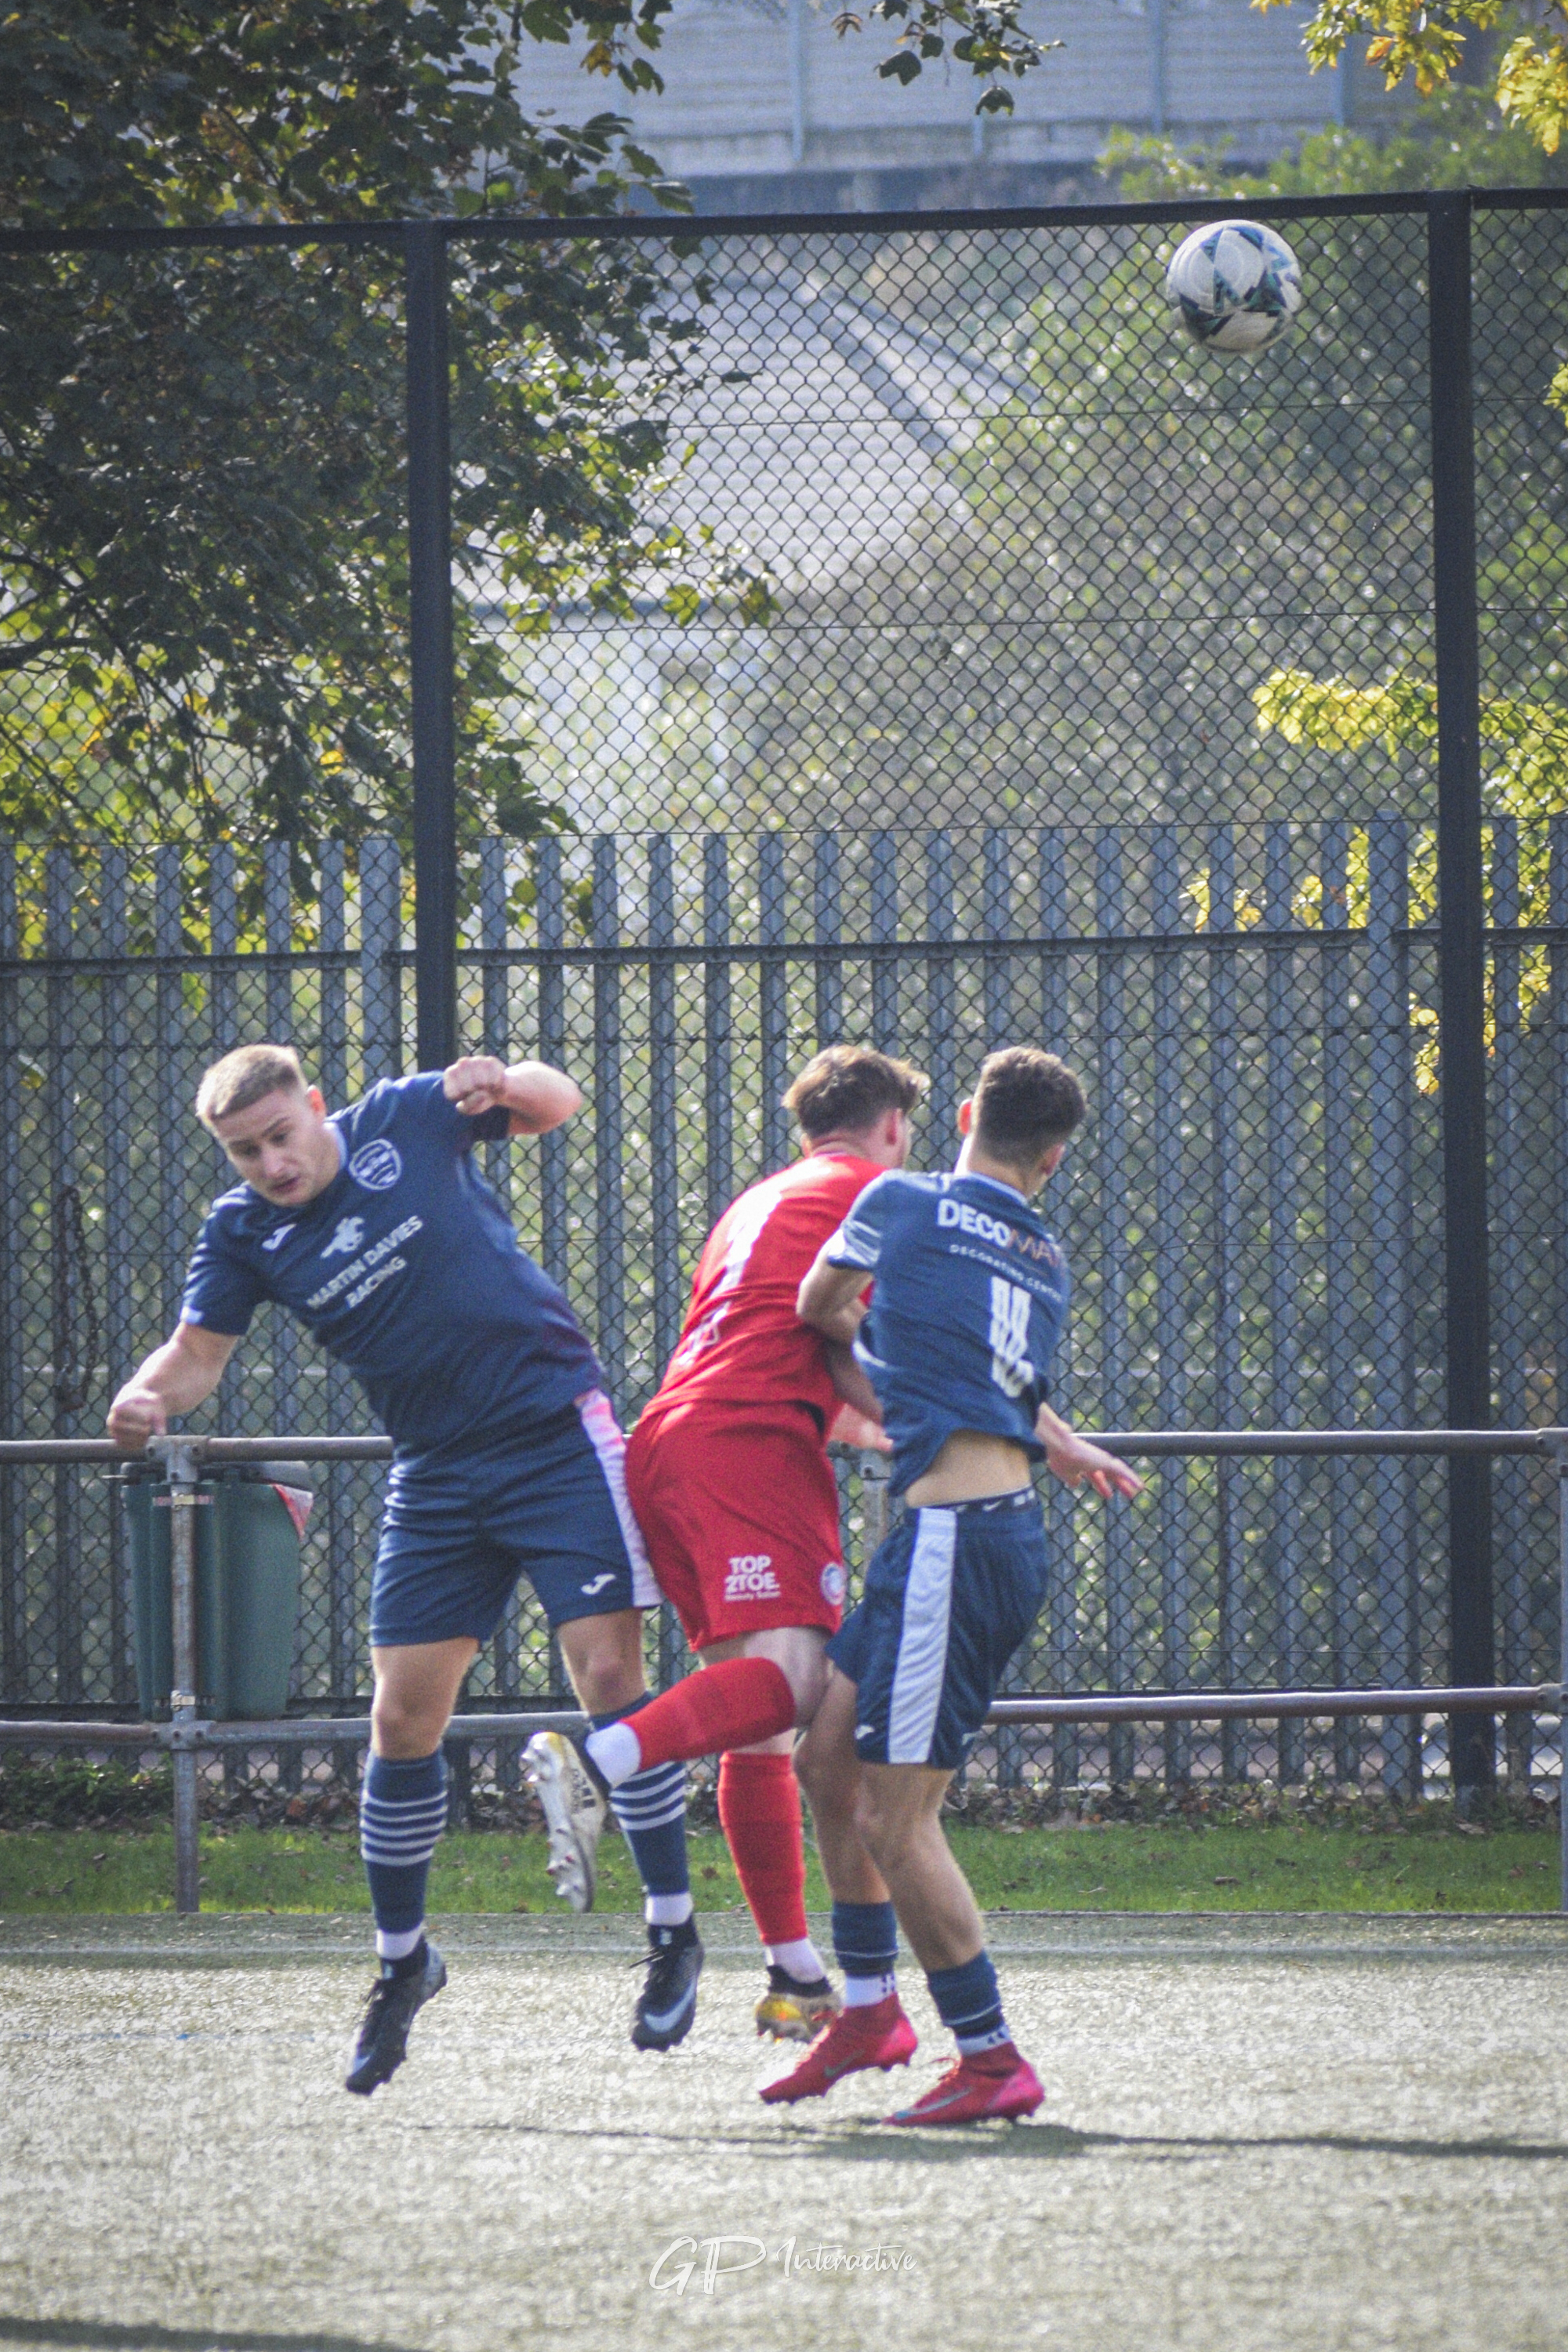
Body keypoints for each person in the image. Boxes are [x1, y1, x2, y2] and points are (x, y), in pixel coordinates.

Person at [106, 1043, 702, 2090]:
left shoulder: (406, 1119)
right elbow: (196, 1355)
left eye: (281, 1137)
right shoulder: (241, 1232)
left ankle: (670, 1934)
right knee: (401, 1719)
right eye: (246, 1153)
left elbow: (558, 1102)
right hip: (435, 1474)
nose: (272, 1165)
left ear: (318, 1107)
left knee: (610, 1680)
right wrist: (147, 1394)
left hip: (556, 1436)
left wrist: (506, 1084)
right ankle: (400, 1966)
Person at [767, 1046, 1143, 2125]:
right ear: (1054, 1158)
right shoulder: (1045, 1253)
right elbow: (1003, 1388)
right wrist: (1062, 1441)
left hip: (956, 1541)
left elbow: (819, 1301)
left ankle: (990, 2058)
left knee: (898, 1819)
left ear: (968, 1113)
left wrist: (870, 1348)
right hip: (955, 1534)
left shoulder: (902, 1200)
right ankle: (871, 2012)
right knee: (826, 1762)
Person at [524, 1045, 924, 2042]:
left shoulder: (758, 1200)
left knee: (757, 1722)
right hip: (744, 1444)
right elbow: (838, 1336)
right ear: (891, 1125)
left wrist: (858, 1416)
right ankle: (600, 1761)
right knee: (792, 1688)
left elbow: (793, 1341)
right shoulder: (876, 1189)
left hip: (672, 1438)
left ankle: (796, 1975)